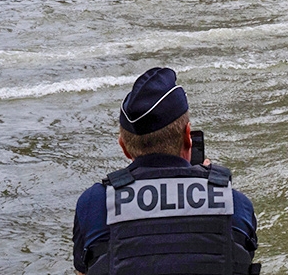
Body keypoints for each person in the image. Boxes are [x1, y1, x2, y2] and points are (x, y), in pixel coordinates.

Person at [73, 67, 259, 275]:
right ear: (188, 136)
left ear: (124, 147)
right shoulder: (234, 203)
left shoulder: (94, 203)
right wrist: (204, 186)